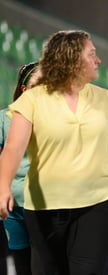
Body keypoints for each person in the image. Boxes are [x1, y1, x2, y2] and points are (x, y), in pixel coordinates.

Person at [0, 30, 108, 275]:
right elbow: (13, 147)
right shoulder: (31, 101)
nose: (99, 61)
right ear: (71, 59)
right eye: (92, 54)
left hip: (98, 204)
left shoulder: (104, 99)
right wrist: (3, 188)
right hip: (43, 207)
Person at [0, 61, 41, 275]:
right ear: (24, 89)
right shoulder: (4, 118)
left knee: (44, 265)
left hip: (46, 206)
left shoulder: (58, 121)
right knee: (22, 265)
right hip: (13, 208)